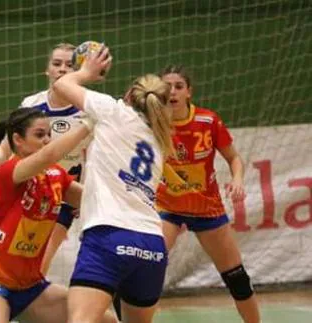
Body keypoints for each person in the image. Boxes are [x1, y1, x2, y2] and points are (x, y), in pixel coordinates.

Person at [52, 46, 173, 323]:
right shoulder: (159, 140)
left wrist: (86, 72)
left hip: (108, 237)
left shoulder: (112, 110)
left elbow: (62, 84)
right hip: (152, 245)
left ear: (129, 95)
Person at [0, 108, 117, 323]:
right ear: (18, 139)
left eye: (48, 135)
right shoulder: (9, 171)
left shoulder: (55, 175)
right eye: (39, 135)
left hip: (31, 288)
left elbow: (92, 200)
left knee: (105, 321)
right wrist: (88, 123)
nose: (46, 140)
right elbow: (50, 154)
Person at [156, 64, 261, 323]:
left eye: (179, 86)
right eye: (167, 87)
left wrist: (237, 179)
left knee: (236, 277)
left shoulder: (207, 120)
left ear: (189, 91)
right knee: (143, 271)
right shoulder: (152, 123)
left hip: (206, 207)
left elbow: (234, 157)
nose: (172, 92)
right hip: (166, 207)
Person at [0, 43, 91, 275]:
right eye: (56, 64)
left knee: (38, 265)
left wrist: (84, 195)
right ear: (47, 70)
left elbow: (96, 156)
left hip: (63, 196)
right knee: (20, 264)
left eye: (69, 65)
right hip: (29, 192)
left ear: (78, 72)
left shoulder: (88, 110)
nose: (62, 69)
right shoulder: (31, 104)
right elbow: (7, 144)